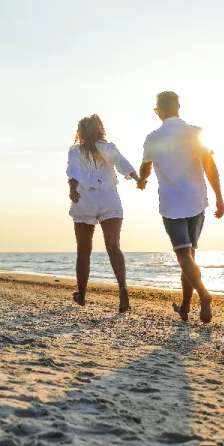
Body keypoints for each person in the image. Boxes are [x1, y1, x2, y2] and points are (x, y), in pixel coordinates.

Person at [137, 91, 224, 324]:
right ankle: (185, 307)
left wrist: (142, 180)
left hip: (172, 205)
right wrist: (219, 198)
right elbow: (210, 167)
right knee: (190, 255)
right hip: (197, 201)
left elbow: (145, 166)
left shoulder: (153, 138)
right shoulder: (195, 133)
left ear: (162, 111)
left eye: (156, 110)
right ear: (178, 107)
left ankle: (204, 295)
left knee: (183, 255)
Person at [66, 114, 139, 313]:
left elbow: (73, 172)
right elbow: (124, 164)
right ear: (99, 130)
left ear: (80, 132)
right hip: (109, 198)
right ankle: (123, 289)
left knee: (83, 250)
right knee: (114, 247)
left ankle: (81, 295)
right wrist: (136, 177)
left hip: (85, 200)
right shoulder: (109, 148)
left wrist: (72, 190)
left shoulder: (75, 151)